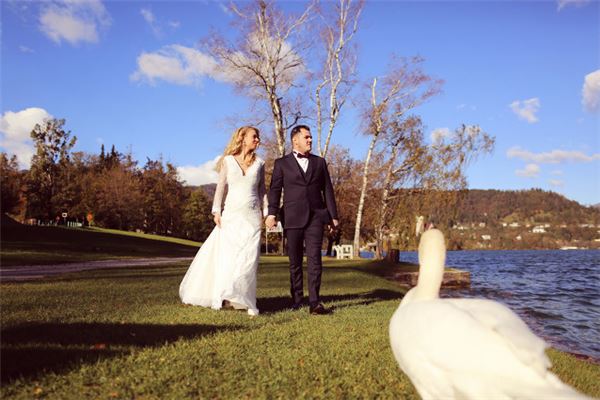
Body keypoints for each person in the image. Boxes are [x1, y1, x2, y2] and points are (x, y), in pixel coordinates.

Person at [179, 126, 266, 316]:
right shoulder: (228, 161)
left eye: (258, 137)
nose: (257, 140)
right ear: (242, 138)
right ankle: (226, 294)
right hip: (231, 215)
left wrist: (267, 213)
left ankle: (245, 299)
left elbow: (262, 191)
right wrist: (216, 211)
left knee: (249, 257)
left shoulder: (260, 163)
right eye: (254, 136)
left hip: (252, 216)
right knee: (229, 256)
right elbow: (220, 188)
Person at [266, 125, 339, 315]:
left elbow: (328, 191)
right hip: (292, 217)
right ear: (295, 140)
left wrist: (333, 217)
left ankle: (315, 302)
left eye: (310, 137)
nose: (310, 140)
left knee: (315, 259)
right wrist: (272, 213)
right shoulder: (281, 164)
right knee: (295, 261)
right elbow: (275, 190)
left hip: (316, 216)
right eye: (306, 137)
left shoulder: (320, 163)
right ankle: (297, 299)